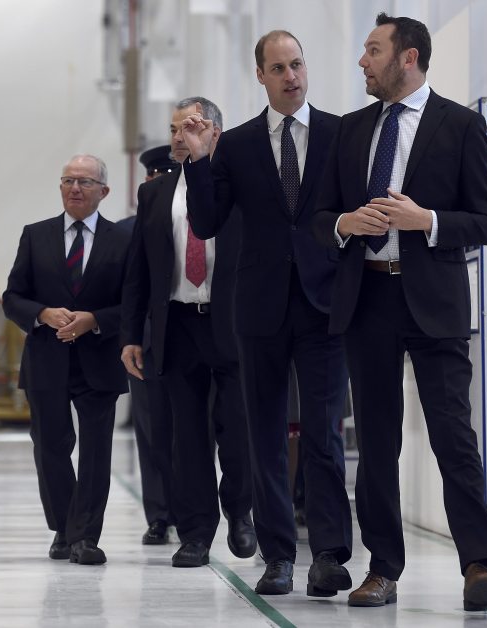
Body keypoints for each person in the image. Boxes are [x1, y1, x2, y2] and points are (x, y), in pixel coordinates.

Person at [311, 14, 487, 610]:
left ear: (409, 58)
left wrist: (429, 221)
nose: (362, 62)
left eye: (373, 51)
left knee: (452, 435)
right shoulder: (350, 130)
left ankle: (478, 564)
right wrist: (345, 224)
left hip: (434, 303)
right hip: (367, 298)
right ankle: (383, 569)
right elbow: (319, 219)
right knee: (375, 444)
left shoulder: (462, 126)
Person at [180, 33, 352, 596]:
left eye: (297, 64)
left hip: (325, 303)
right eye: (278, 68)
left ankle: (328, 553)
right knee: (266, 437)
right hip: (258, 310)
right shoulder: (237, 145)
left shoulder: (339, 133)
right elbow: (205, 222)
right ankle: (279, 556)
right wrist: (200, 160)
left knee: (325, 435)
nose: (291, 76)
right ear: (260, 75)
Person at [121, 98, 255, 568]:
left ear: (215, 131)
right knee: (187, 437)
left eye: (191, 127)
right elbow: (141, 268)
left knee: (237, 431)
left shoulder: (238, 182)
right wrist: (132, 334)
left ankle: (240, 510)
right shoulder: (155, 194)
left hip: (233, 324)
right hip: (177, 323)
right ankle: (196, 532)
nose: (179, 136)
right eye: (174, 128)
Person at [2, 154, 130, 565]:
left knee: (96, 452)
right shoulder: (35, 235)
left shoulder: (124, 240)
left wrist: (94, 320)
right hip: (46, 358)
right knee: (50, 447)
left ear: (104, 192)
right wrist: (41, 313)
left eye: (86, 182)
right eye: (69, 180)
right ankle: (63, 525)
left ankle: (84, 538)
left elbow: (134, 303)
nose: (75, 188)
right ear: (60, 187)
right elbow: (12, 297)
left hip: (99, 359)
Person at [118, 145, 180, 546]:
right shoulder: (127, 230)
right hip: (148, 344)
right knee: (152, 431)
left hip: (195, 338)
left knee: (198, 431)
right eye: (155, 178)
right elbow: (128, 291)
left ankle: (194, 508)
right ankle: (159, 515)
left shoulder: (202, 221)